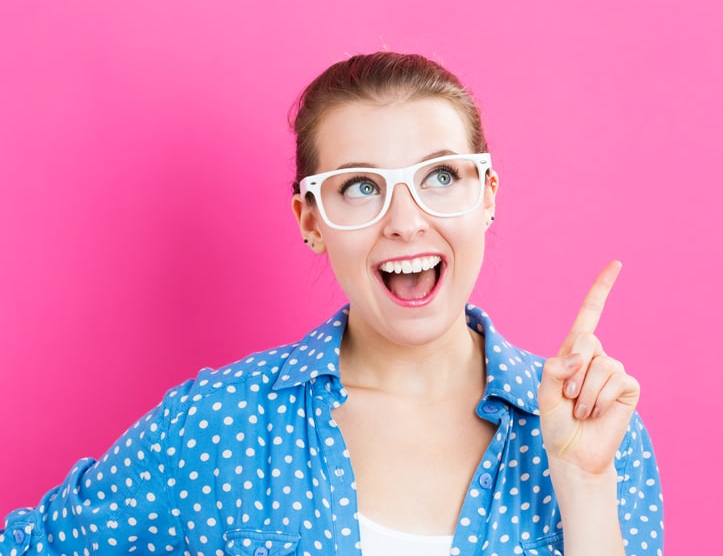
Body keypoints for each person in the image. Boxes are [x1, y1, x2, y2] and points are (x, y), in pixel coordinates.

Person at [0, 52, 663, 556]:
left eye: (439, 176)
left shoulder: (599, 434)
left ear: (486, 195)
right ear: (309, 218)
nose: (406, 221)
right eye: (359, 187)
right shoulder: (222, 423)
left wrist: (582, 483)